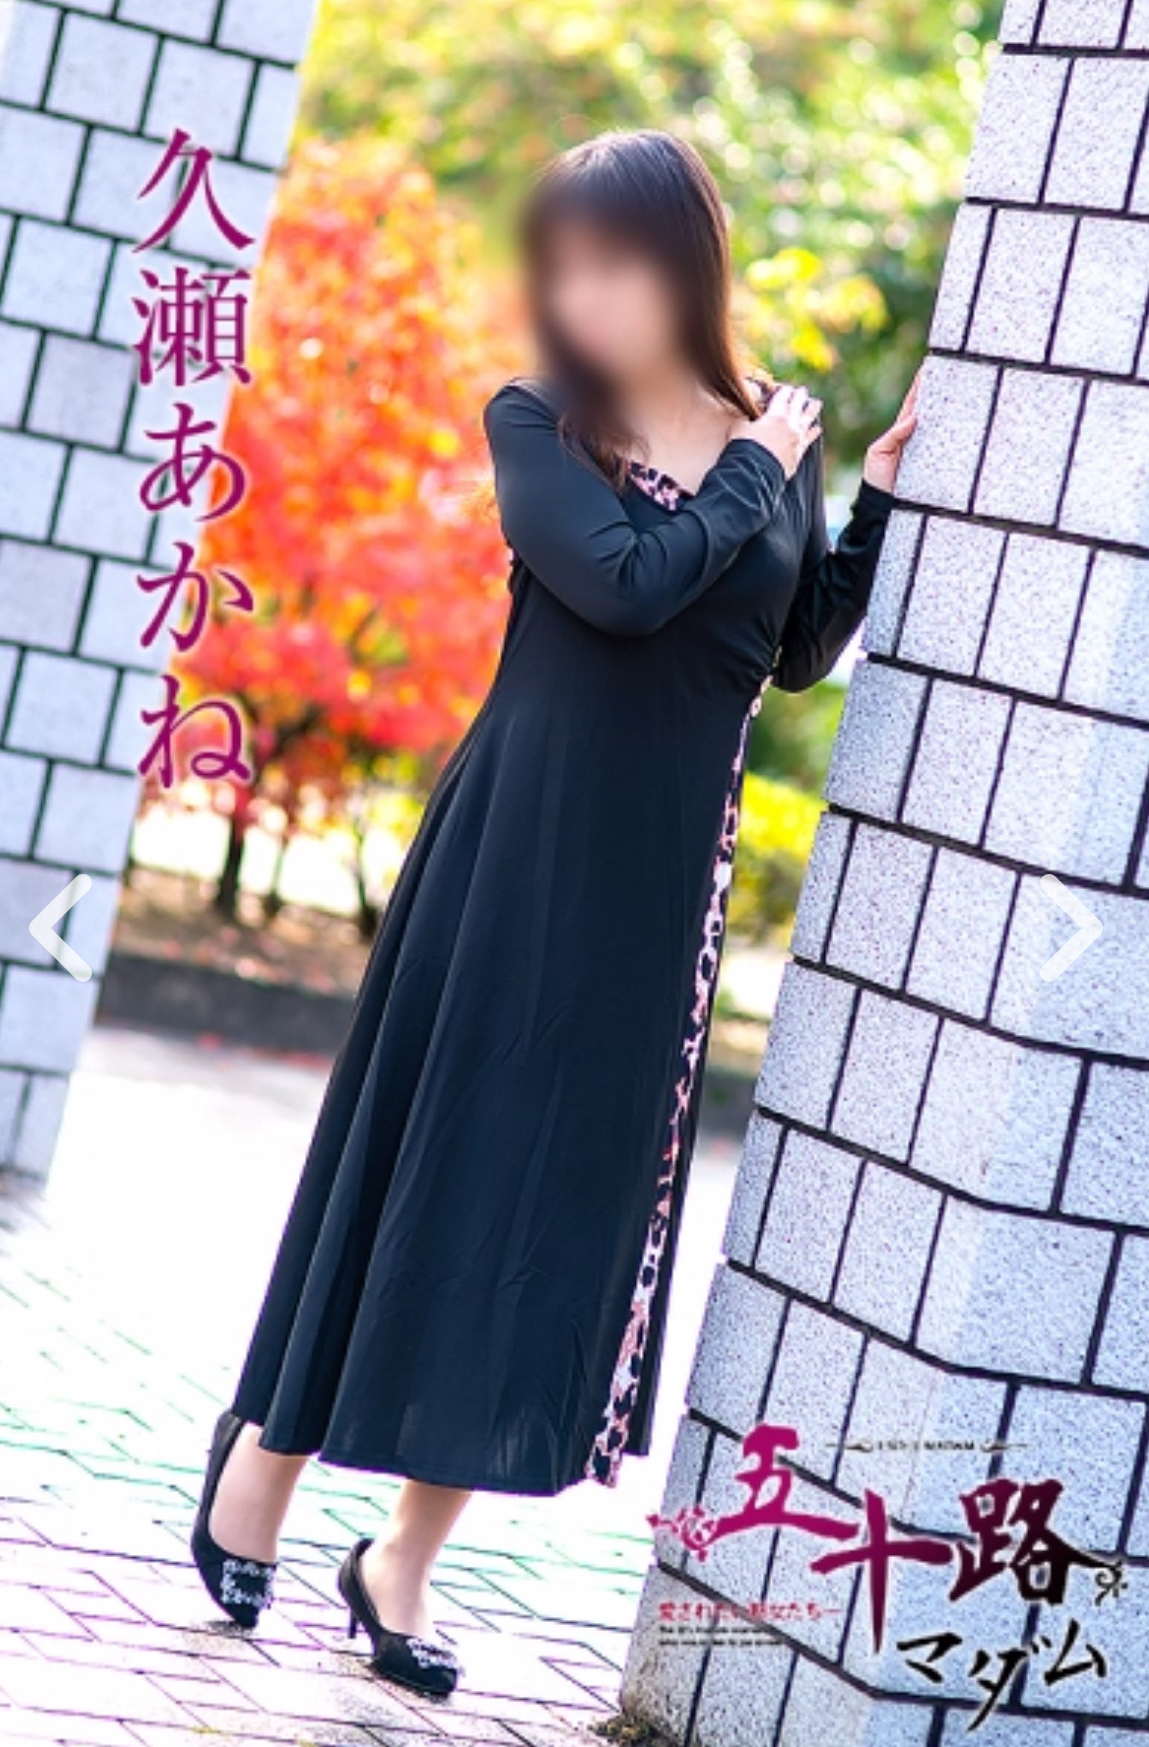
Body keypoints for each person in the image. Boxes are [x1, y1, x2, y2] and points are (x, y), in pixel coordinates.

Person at [190, 128, 918, 1696]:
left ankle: (401, 1562)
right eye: (561, 270)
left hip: (655, 897)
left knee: (550, 1223)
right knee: (427, 1165)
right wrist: (756, 471)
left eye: (611, 265)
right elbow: (624, 586)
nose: (580, 296)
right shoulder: (541, 425)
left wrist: (862, 499)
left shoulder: (766, 430)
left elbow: (788, 647)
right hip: (512, 858)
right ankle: (262, 1461)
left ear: (683, 261)